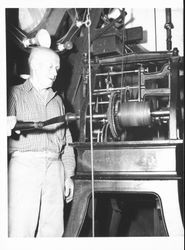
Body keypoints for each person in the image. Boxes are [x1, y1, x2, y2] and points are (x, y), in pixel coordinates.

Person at [7, 47, 76, 237]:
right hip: (24, 166)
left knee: (53, 232)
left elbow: (67, 140)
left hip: (55, 167)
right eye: (51, 67)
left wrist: (68, 174)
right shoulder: (12, 94)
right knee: (20, 229)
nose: (55, 73)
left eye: (57, 68)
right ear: (35, 65)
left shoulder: (58, 101)